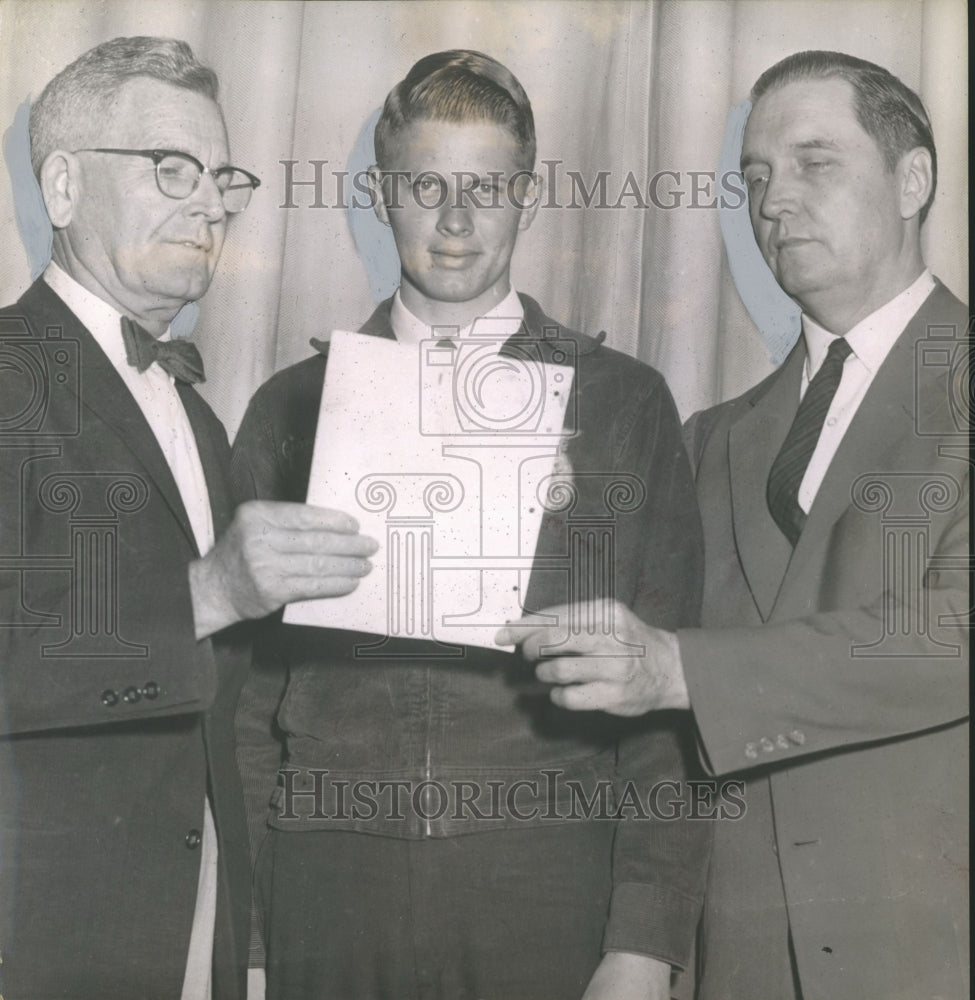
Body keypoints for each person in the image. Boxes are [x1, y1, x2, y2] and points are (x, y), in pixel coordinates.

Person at [233, 50, 709, 1000]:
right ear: (380, 194)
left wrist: (645, 941)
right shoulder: (292, 407)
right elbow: (246, 707)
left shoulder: (622, 405)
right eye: (425, 186)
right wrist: (246, 941)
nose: (455, 222)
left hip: (544, 892)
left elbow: (673, 699)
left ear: (527, 200)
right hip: (328, 894)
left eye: (486, 189)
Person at [500, 50, 970, 1000]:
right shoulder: (711, 438)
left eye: (814, 163)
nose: (773, 202)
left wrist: (684, 669)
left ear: (912, 179)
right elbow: (625, 659)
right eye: (754, 178)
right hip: (732, 958)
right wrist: (542, 516)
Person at [0, 37, 376, 999]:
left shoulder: (199, 419)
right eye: (172, 168)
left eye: (222, 177)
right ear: (64, 187)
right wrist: (207, 592)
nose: (211, 204)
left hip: (189, 934)